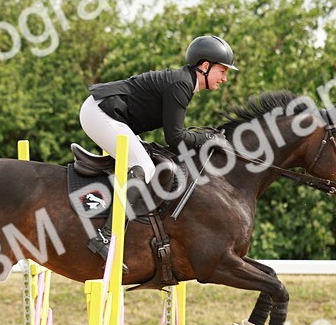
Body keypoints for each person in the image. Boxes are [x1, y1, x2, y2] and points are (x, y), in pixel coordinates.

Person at [78, 35, 237, 256]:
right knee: (144, 166)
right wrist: (210, 139)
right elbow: (175, 138)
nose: (225, 78)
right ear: (206, 66)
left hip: (106, 113)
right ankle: (106, 235)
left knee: (149, 158)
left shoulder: (184, 83)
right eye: (223, 71)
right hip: (99, 112)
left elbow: (175, 139)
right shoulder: (181, 84)